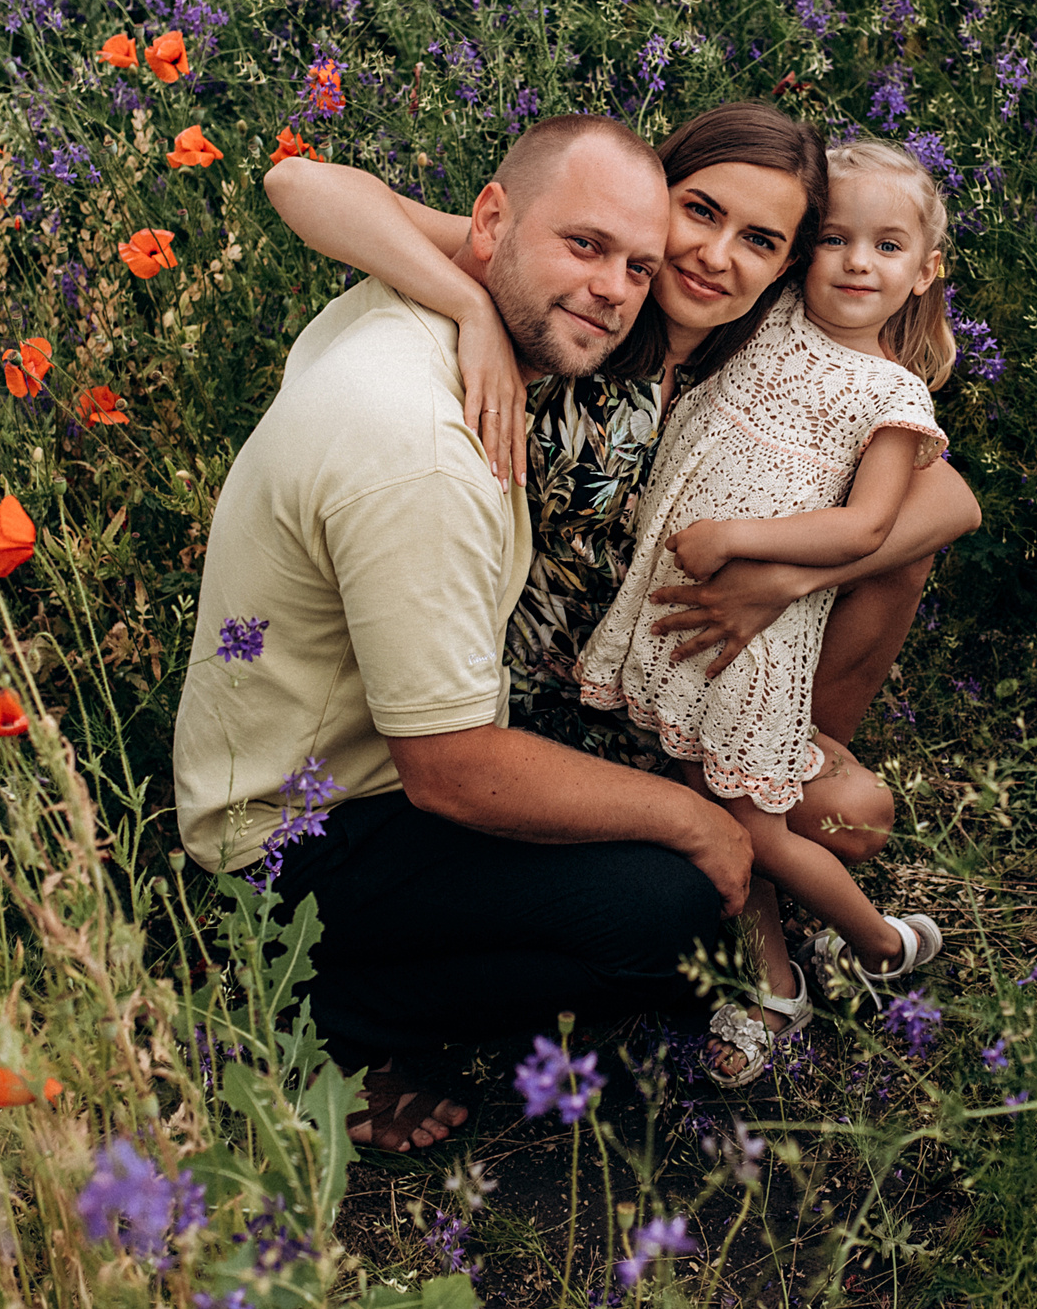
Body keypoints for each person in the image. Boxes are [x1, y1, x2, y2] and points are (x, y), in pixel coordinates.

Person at [174, 115, 756, 1155]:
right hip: (295, 836)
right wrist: (696, 821)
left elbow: (324, 186)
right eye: (583, 246)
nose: (613, 288)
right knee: (670, 916)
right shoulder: (425, 454)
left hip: (299, 754)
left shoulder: (427, 293)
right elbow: (449, 771)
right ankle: (313, 1013)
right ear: (491, 221)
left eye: (637, 264)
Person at [266, 104, 981, 886]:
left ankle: (775, 766)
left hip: (678, 659)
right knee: (795, 841)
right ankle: (734, 834)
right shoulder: (576, 299)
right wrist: (470, 305)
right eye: (698, 212)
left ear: (784, 265)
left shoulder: (752, 337)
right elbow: (300, 182)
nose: (714, 255)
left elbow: (951, 502)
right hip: (543, 694)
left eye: (759, 240)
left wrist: (782, 580)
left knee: (861, 813)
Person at [579, 140, 956, 1083]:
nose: (858, 262)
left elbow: (872, 523)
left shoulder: (891, 394)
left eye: (888, 246)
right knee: (709, 794)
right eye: (834, 238)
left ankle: (879, 943)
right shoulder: (773, 312)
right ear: (800, 255)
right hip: (679, 619)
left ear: (924, 270)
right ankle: (775, 977)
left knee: (755, 826)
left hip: (750, 644)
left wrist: (748, 544)